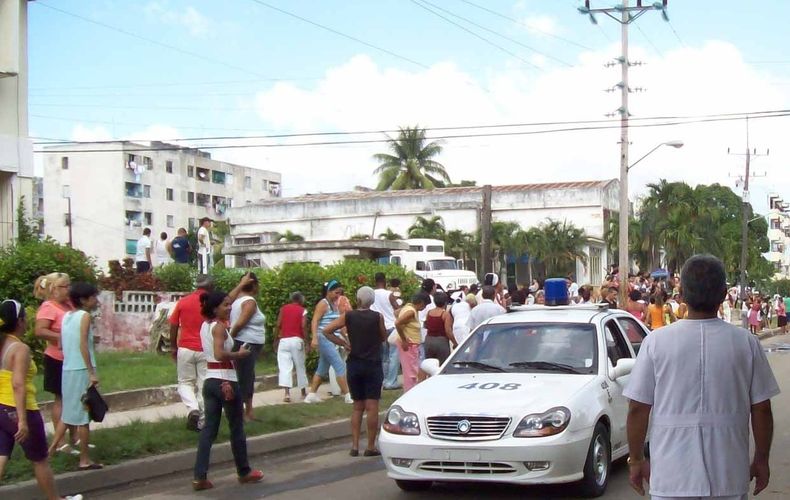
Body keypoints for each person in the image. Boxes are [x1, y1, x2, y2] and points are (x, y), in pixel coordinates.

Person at [625, 254, 779, 499]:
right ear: (723, 294)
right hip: (728, 476)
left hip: (671, 478)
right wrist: (761, 459)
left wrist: (636, 460)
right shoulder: (745, 343)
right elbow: (761, 409)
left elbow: (637, 409)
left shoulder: (656, 342)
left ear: (682, 294)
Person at [0, 300, 84, 500]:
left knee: (1, 455)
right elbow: (18, 384)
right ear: (20, 322)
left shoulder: (2, 345)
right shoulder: (20, 349)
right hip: (20, 409)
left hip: (1, 409)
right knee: (40, 459)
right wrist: (21, 420)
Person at [192, 291, 264, 491]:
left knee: (209, 430)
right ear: (215, 308)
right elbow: (219, 353)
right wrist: (239, 354)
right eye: (225, 305)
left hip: (210, 381)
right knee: (236, 427)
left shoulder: (205, 326)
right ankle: (244, 471)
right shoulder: (220, 328)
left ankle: (200, 475)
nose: (230, 308)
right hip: (226, 380)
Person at [170, 274, 252, 431]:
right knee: (202, 383)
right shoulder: (212, 303)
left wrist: (173, 346)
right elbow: (229, 298)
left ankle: (192, 409)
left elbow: (173, 325)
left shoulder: (183, 302)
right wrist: (241, 284)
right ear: (211, 286)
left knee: (185, 382)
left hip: (185, 348)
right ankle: (202, 419)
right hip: (205, 350)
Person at [321, 287, 386, 457]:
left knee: (357, 407)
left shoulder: (349, 316)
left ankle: (355, 446)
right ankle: (371, 446)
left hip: (354, 364)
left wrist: (343, 343)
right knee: (372, 407)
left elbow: (326, 330)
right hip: (372, 364)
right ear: (371, 301)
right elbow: (383, 337)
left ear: (357, 299)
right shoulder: (377, 317)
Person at [48, 283, 102, 470]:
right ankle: (84, 460)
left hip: (68, 368)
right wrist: (91, 372)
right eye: (93, 297)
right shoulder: (84, 316)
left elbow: (62, 344)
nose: (96, 300)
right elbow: (82, 345)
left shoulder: (66, 317)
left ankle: (52, 449)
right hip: (80, 369)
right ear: (83, 300)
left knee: (69, 412)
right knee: (84, 416)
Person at [33, 272, 76, 454]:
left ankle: (75, 437)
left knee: (74, 399)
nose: (67, 290)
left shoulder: (69, 305)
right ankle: (60, 442)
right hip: (56, 358)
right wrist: (61, 337)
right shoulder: (48, 307)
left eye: (68, 286)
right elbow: (40, 331)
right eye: (63, 287)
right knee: (61, 398)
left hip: (73, 358)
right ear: (53, 289)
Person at [304, 280, 352, 404]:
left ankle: (311, 395)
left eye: (340, 293)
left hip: (331, 338)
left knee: (322, 368)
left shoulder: (334, 304)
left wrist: (345, 340)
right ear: (329, 291)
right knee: (339, 365)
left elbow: (338, 325)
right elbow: (315, 320)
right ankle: (347, 395)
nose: (338, 295)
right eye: (336, 292)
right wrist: (314, 337)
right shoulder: (323, 304)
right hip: (324, 338)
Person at [229, 273, 266, 422]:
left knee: (245, 376)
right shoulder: (249, 302)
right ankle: (247, 412)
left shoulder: (236, 300)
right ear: (255, 286)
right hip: (246, 343)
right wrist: (232, 337)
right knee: (246, 377)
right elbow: (239, 323)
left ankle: (246, 411)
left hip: (246, 342)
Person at [274, 292, 309, 403]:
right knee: (300, 366)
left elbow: (278, 324)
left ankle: (287, 394)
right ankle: (303, 392)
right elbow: (303, 326)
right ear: (300, 300)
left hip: (284, 340)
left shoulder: (283, 309)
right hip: (297, 340)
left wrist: (275, 340)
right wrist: (307, 341)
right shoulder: (303, 310)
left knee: (284, 367)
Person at [370, 273, 400, 390]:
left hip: (377, 327)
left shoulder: (371, 294)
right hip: (391, 326)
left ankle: (383, 380)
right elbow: (397, 308)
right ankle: (391, 381)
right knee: (393, 355)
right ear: (385, 281)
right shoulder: (389, 294)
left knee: (383, 356)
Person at [394, 292, 430, 392]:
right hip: (409, 344)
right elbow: (397, 323)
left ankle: (410, 390)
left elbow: (396, 313)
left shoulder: (408, 307)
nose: (424, 308)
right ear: (421, 303)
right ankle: (409, 392)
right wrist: (404, 340)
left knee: (412, 370)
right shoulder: (411, 311)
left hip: (411, 343)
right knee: (411, 373)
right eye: (425, 305)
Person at [423, 292, 457, 365]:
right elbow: (448, 331)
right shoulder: (445, 314)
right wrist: (455, 342)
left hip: (429, 340)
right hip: (441, 341)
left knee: (430, 365)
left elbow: (426, 325)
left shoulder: (429, 312)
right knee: (442, 365)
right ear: (445, 302)